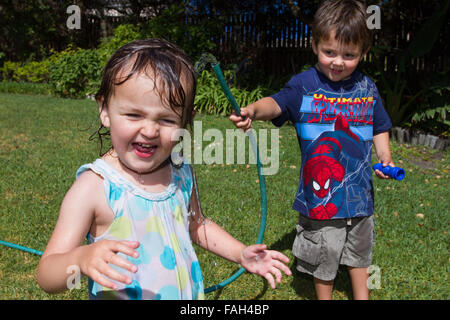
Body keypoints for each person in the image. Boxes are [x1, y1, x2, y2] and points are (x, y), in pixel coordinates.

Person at [37, 38, 291, 300]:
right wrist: (80, 259)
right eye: (134, 115)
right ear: (105, 110)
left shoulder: (180, 172)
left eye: (167, 119)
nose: (149, 131)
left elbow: (196, 224)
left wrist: (240, 254)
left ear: (185, 121)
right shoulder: (95, 187)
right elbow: (47, 274)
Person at [230, 0, 394, 300]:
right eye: (329, 52)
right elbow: (277, 103)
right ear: (315, 45)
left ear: (363, 53)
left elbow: (379, 125)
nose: (338, 62)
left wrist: (384, 156)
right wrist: (254, 109)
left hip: (360, 196)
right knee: (325, 254)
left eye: (349, 55)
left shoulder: (367, 88)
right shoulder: (305, 85)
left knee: (360, 253)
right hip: (321, 196)